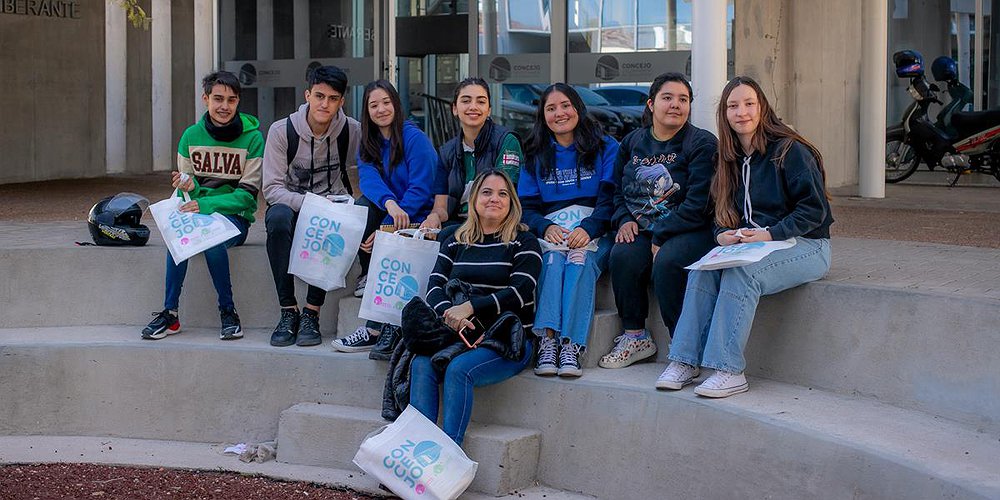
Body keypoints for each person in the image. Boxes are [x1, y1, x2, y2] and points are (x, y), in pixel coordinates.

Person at [656, 76, 833, 398]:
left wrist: (769, 233)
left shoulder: (790, 150)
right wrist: (723, 235)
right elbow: (721, 214)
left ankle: (728, 369)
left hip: (807, 245)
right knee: (703, 269)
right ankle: (684, 361)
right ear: (724, 114)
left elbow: (814, 211)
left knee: (741, 273)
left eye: (749, 103)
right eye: (733, 106)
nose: (742, 112)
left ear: (762, 107)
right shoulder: (728, 159)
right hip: (757, 245)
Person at [408, 169, 541, 445]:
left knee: (459, 370)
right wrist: (452, 315)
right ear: (474, 200)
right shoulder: (456, 239)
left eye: (503, 193)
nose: (494, 199)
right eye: (487, 192)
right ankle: (416, 449)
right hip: (458, 333)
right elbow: (434, 285)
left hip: (506, 338)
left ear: (512, 202)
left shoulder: (523, 241)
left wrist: (470, 308)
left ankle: (447, 455)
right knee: (422, 362)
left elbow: (519, 291)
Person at [599, 73, 719, 369]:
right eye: (668, 98)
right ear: (651, 104)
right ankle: (635, 336)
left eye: (683, 99)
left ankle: (684, 349)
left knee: (668, 261)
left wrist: (659, 236)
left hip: (692, 227)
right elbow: (618, 190)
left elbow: (700, 203)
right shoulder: (632, 143)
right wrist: (624, 218)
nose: (675, 105)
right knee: (623, 254)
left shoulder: (701, 143)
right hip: (644, 228)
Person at [141, 71, 264, 341]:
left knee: (212, 241)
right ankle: (170, 314)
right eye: (218, 99)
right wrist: (188, 186)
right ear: (205, 99)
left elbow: (247, 196)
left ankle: (228, 311)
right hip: (198, 213)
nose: (224, 106)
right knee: (176, 238)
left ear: (238, 102)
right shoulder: (190, 136)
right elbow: (192, 189)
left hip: (235, 219)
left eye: (231, 100)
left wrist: (204, 202)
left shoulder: (254, 138)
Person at [518, 83, 619, 377]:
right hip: (554, 233)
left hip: (594, 231)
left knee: (578, 261)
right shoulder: (535, 152)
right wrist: (545, 226)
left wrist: (589, 228)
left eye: (565, 105)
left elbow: (611, 197)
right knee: (552, 261)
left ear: (578, 108)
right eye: (551, 108)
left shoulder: (605, 146)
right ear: (542, 116)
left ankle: (572, 344)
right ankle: (548, 341)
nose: (559, 113)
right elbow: (526, 206)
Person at [330, 80, 436, 355]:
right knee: (363, 205)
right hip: (394, 211)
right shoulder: (369, 141)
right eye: (373, 105)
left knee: (387, 234)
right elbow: (368, 179)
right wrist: (390, 206)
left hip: (419, 216)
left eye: (386, 102)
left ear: (396, 104)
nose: (381, 109)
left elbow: (422, 188)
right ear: (367, 111)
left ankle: (375, 328)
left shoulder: (414, 138)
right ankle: (367, 274)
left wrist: (388, 229)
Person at [262, 65, 361, 348]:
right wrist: (312, 203)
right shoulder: (282, 131)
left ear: (341, 101)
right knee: (277, 219)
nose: (324, 104)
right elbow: (271, 190)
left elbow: (375, 162)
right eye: (319, 96)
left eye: (332, 98)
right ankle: (288, 310)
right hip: (293, 204)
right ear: (307, 95)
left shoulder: (352, 131)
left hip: (332, 209)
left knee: (332, 222)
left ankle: (311, 312)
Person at [417, 77, 522, 241]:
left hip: (496, 223)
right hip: (459, 222)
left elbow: (503, 198)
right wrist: (434, 217)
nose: (473, 107)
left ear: (488, 110)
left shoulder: (506, 141)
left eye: (481, 102)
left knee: (448, 237)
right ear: (454, 109)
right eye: (466, 101)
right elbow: (441, 207)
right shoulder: (446, 151)